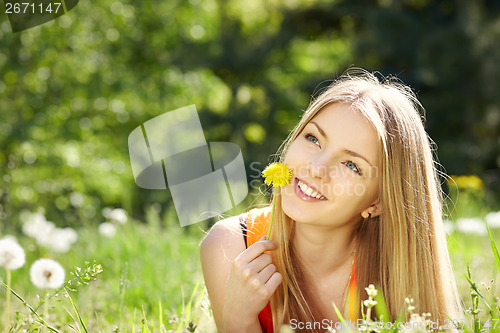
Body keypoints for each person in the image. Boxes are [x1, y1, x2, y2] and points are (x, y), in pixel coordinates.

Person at [200, 69, 463, 333]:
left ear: (378, 202)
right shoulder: (231, 247)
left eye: (351, 164)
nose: (317, 168)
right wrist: (239, 318)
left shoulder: (397, 273)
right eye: (313, 138)